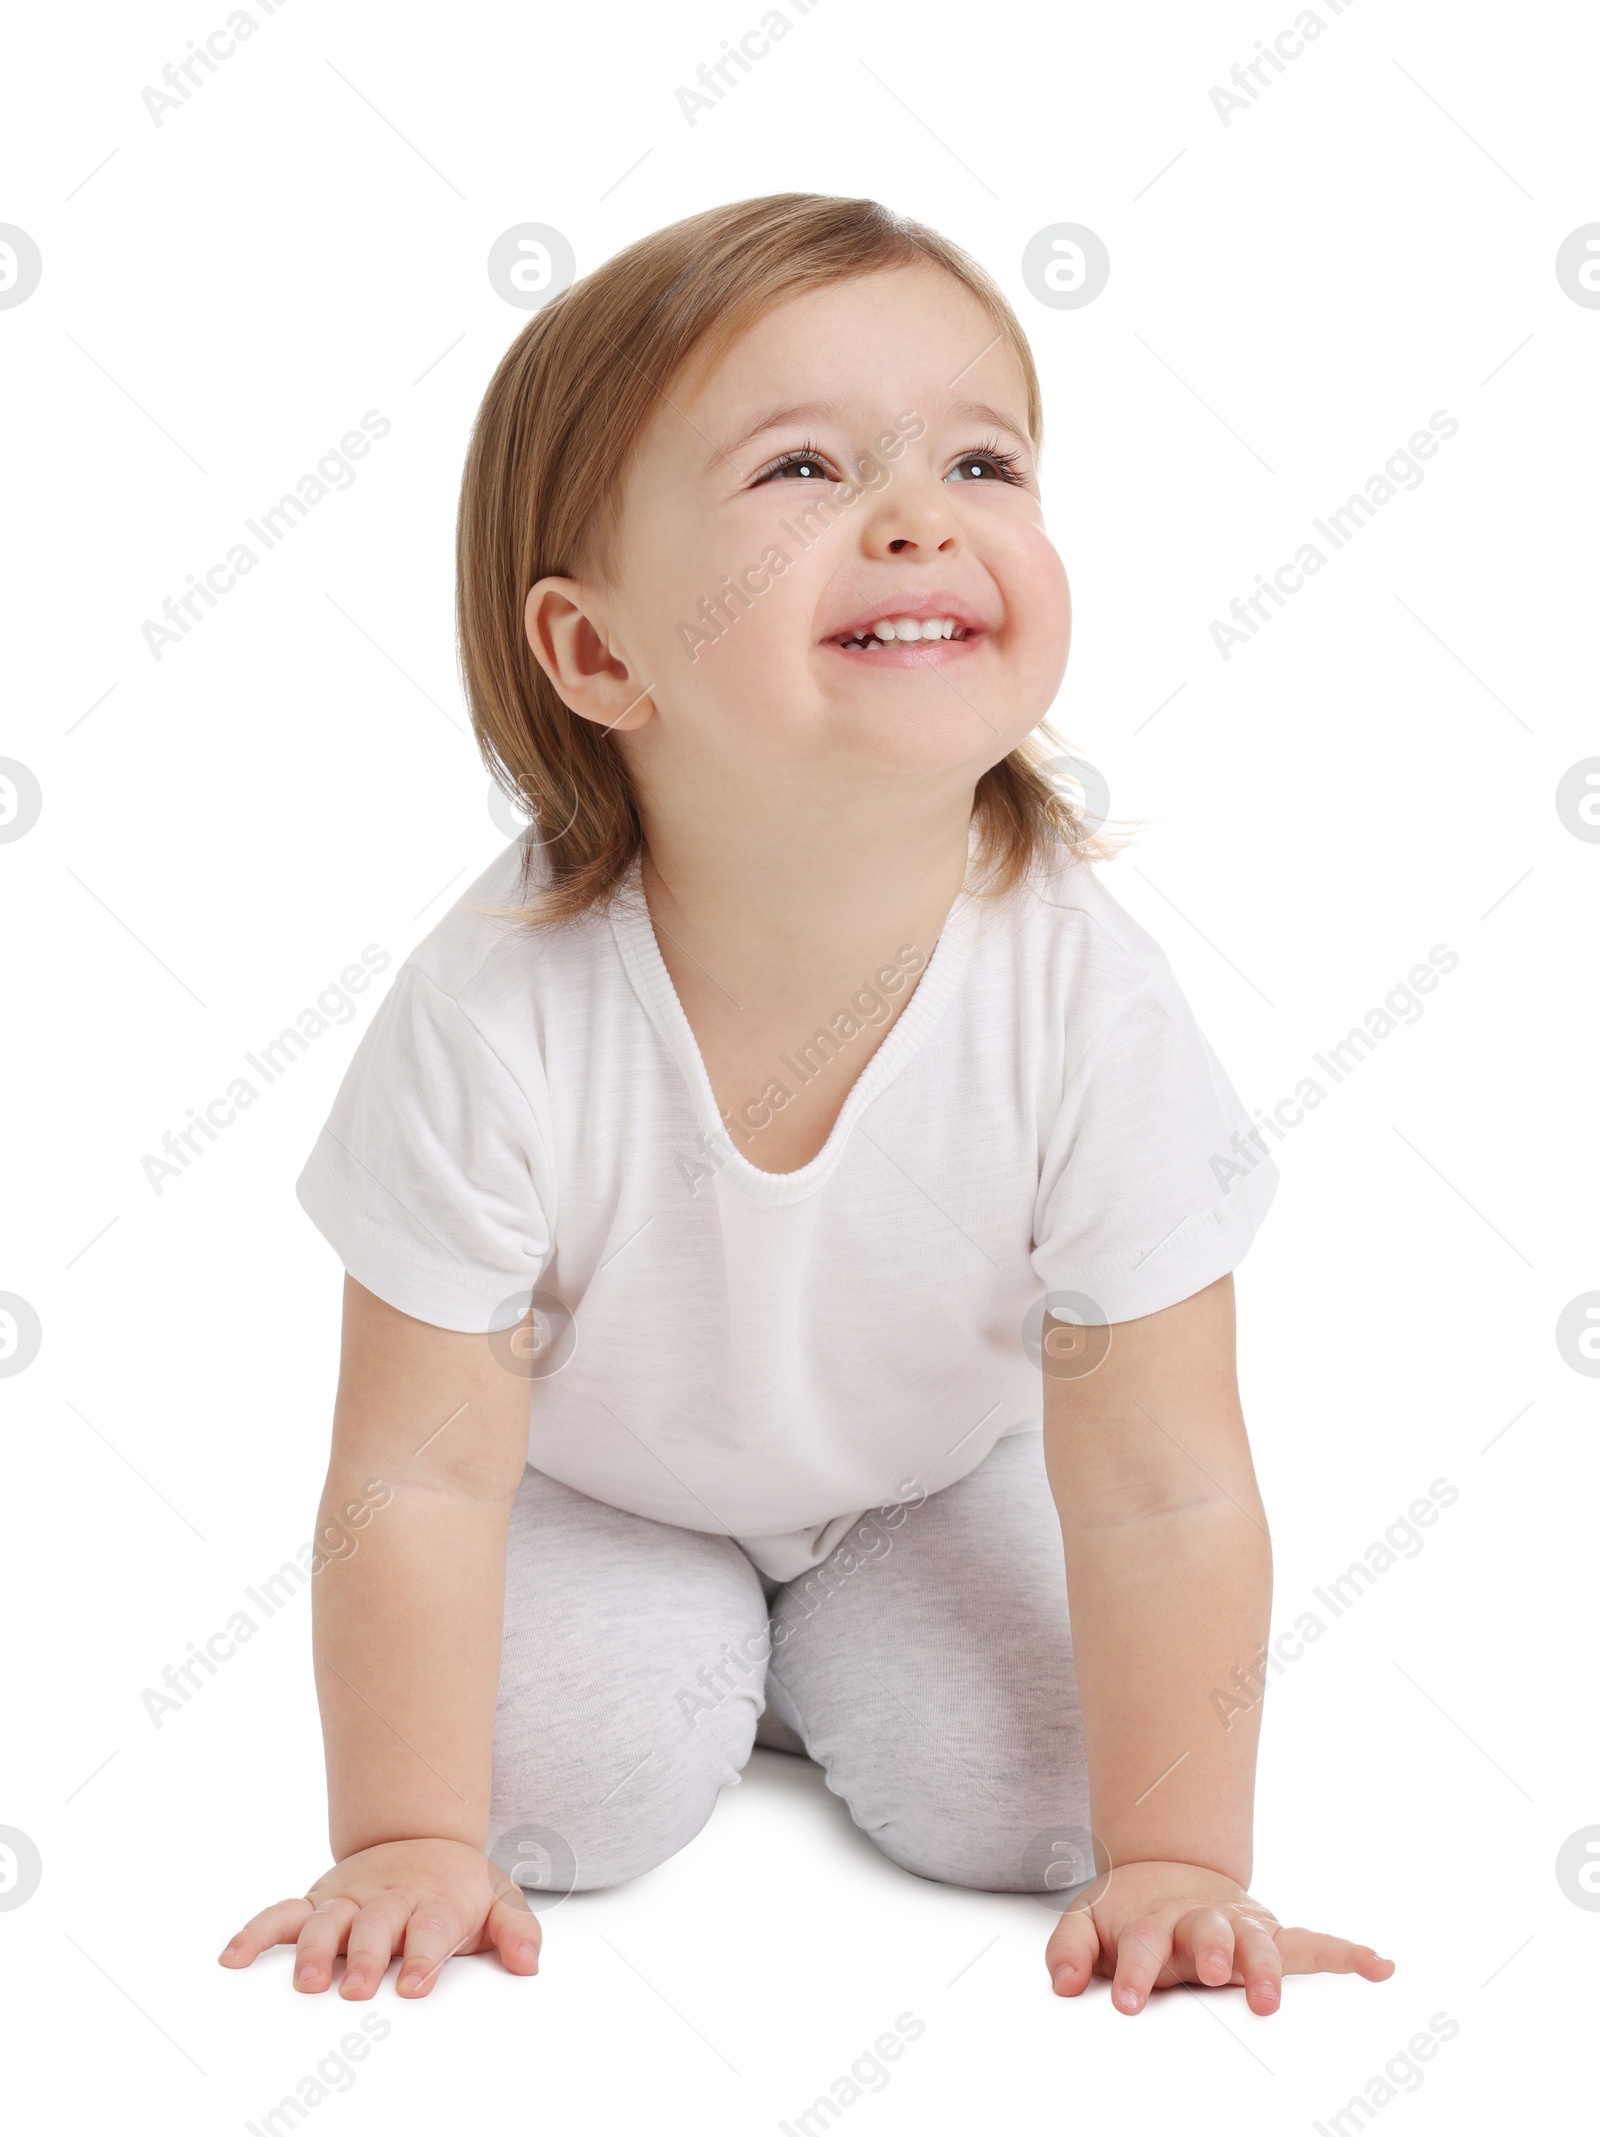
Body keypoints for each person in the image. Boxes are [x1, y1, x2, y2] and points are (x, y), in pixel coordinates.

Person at [220, 193, 1393, 2017]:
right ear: (598, 653)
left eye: (983, 457)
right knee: (541, 1796)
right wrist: (400, 1833)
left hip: (929, 1482)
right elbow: (420, 1470)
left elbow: (1162, 1484)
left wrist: (1184, 1863)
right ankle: (732, 1651)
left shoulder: (1087, 996)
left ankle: (829, 1646)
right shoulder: (497, 1007)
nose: (923, 513)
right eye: (802, 470)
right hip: (608, 1493)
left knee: (1059, 1798)